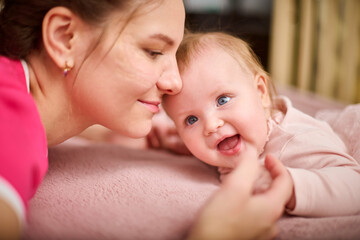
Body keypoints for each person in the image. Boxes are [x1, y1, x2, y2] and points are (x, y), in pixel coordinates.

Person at [0, 1, 291, 239]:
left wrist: (100, 133)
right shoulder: (10, 126)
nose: (174, 83)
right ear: (65, 37)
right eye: (153, 52)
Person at [163, 31, 360, 218]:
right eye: (191, 120)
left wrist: (290, 187)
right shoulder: (229, 138)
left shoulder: (293, 141)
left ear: (260, 92)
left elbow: (354, 185)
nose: (211, 125)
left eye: (222, 100)